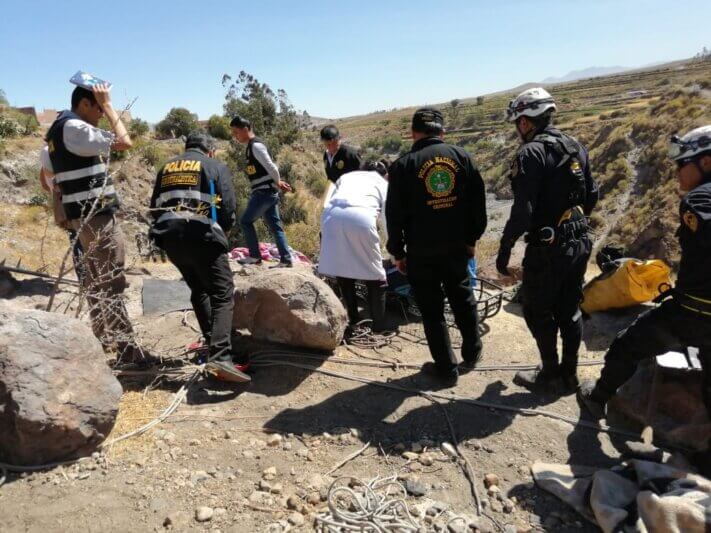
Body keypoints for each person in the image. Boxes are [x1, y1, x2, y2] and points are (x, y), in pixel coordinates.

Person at [578, 125, 711, 419]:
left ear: (707, 162)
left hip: (692, 311)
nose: (677, 172)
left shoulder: (701, 199)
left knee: (627, 345)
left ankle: (597, 398)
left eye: (682, 164)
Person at [496, 88, 598, 394]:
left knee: (536, 309)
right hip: (579, 242)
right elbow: (591, 195)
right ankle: (570, 374)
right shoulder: (575, 145)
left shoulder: (531, 153)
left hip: (548, 248)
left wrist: (505, 247)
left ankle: (550, 373)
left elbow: (522, 212)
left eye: (518, 124)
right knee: (570, 309)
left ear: (525, 122)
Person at [386, 107, 487, 385]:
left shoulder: (403, 166)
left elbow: (394, 216)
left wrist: (398, 252)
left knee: (432, 310)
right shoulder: (462, 157)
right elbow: (478, 207)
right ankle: (472, 351)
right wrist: (471, 240)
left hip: (421, 252)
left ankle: (446, 368)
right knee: (463, 299)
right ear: (442, 131)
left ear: (413, 133)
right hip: (457, 247)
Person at [45, 83, 139, 361]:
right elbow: (125, 142)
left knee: (97, 280)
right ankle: (128, 352)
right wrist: (110, 105)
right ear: (84, 104)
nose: (100, 113)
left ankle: (104, 338)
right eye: (97, 107)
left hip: (82, 217)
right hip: (95, 218)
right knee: (111, 280)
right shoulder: (75, 128)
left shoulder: (57, 131)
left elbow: (46, 176)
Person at [149, 132, 249, 382]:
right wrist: (223, 230)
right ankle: (221, 358)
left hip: (171, 239)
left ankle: (212, 345)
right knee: (222, 293)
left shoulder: (166, 167)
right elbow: (227, 207)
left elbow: (155, 206)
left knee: (199, 289)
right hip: (202, 235)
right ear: (210, 151)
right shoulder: (214, 165)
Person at [319, 159, 389, 333]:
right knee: (376, 275)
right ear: (384, 174)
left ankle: (353, 319)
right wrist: (394, 251)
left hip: (330, 217)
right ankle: (379, 326)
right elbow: (388, 219)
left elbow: (328, 200)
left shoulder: (347, 176)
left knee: (343, 270)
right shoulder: (383, 183)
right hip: (360, 218)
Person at [230, 116, 293, 267]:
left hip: (263, 193)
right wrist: (277, 183)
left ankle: (254, 256)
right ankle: (286, 259)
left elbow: (272, 167)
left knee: (245, 222)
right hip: (268, 192)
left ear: (245, 129)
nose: (235, 136)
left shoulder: (255, 146)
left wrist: (277, 182)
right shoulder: (251, 146)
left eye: (236, 132)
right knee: (275, 226)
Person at [39, 146, 85, 281]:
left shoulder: (46, 152)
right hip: (83, 200)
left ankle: (84, 280)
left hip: (64, 203)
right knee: (89, 239)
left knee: (76, 240)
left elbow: (44, 183)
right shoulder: (73, 147)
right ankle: (95, 280)